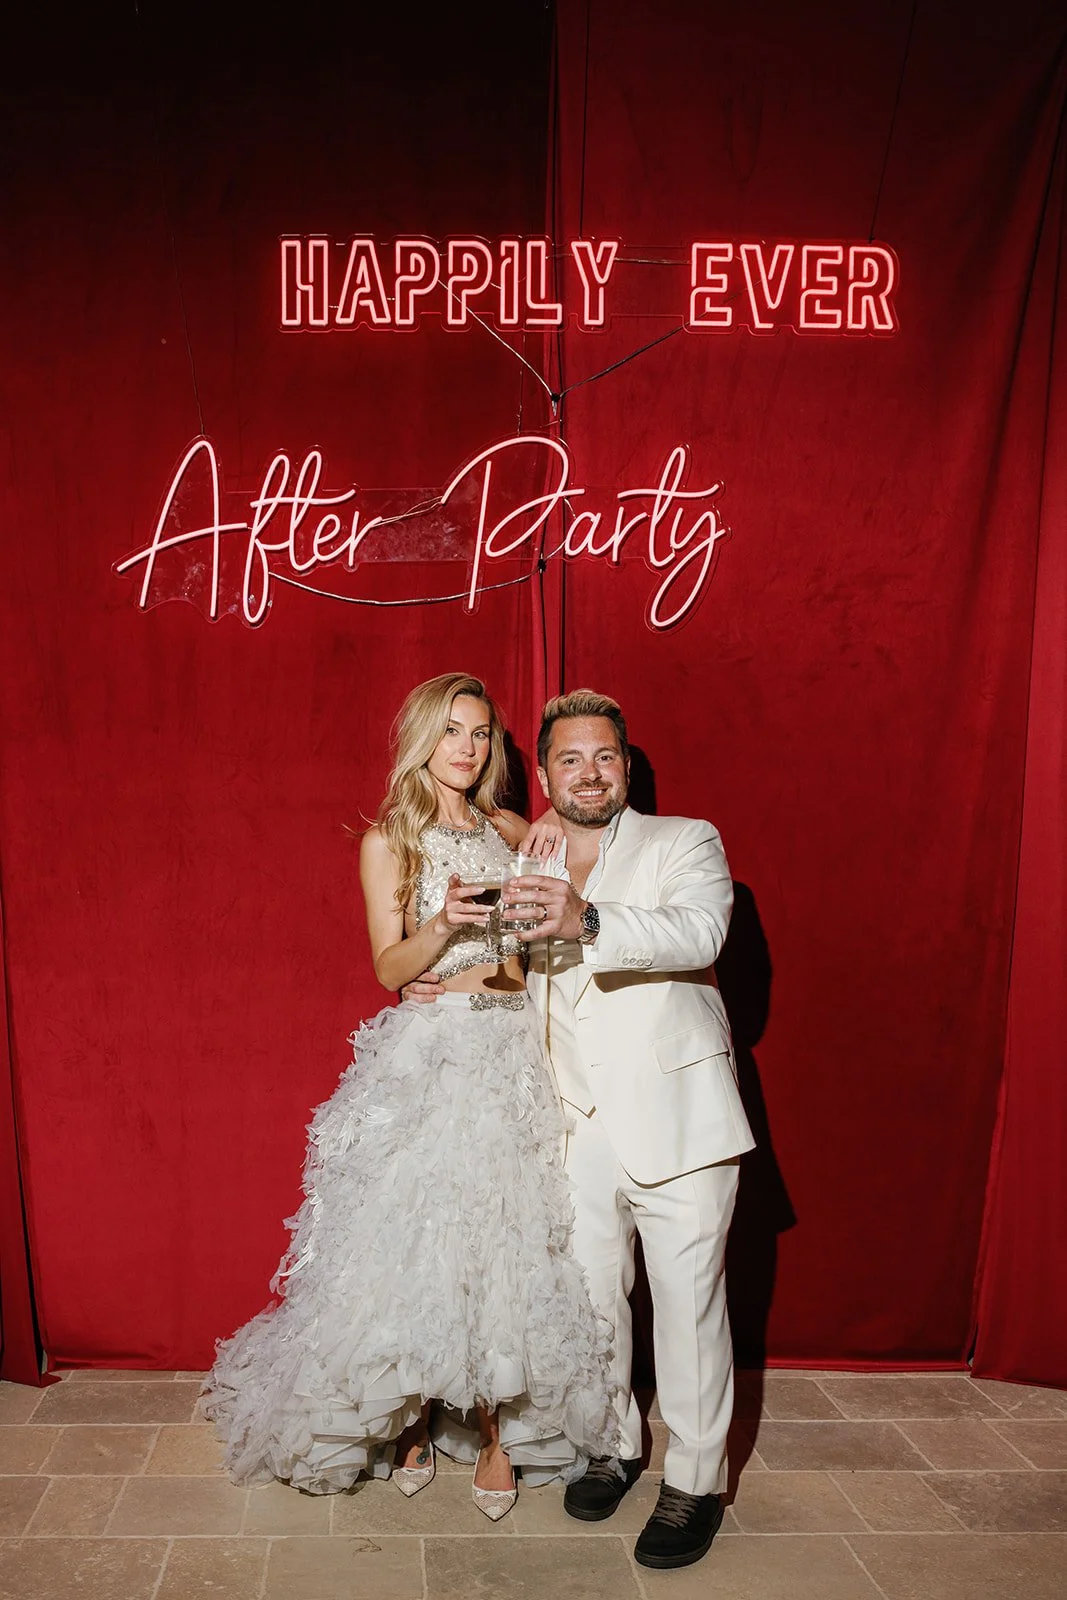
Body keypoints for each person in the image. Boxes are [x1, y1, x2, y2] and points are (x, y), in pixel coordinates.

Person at [201, 673, 616, 1520]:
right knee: (421, 1242)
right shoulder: (391, 837)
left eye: (479, 733)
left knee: (505, 1239)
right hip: (438, 1048)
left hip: (514, 1048)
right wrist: (446, 924)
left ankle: (500, 1431)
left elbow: (572, 889)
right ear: (423, 738)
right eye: (452, 731)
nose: (466, 747)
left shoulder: (510, 827)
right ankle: (415, 1413)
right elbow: (388, 969)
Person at [405, 689, 754, 1568]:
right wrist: (438, 989)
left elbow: (697, 930)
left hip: (678, 1123)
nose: (588, 772)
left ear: (624, 766)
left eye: (604, 756)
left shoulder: (684, 840)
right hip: (572, 1122)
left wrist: (586, 916)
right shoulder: (531, 849)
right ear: (547, 772)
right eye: (569, 758)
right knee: (592, 1305)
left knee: (687, 1311)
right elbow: (513, 972)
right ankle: (618, 1447)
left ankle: (695, 1482)